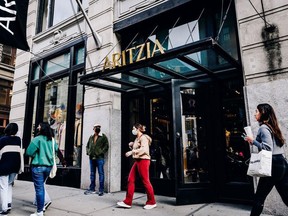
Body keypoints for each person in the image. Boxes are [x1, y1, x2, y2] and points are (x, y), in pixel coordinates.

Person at [244, 103, 288, 216]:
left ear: (263, 113)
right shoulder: (273, 127)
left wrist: (253, 141)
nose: (254, 114)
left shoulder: (263, 128)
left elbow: (268, 148)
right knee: (286, 195)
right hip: (282, 163)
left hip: (272, 164)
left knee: (259, 197)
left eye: (256, 111)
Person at [117, 123, 157, 210]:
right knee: (130, 179)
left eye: (134, 128)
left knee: (145, 181)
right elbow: (137, 149)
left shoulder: (144, 138)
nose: (133, 130)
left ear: (138, 129)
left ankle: (152, 201)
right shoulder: (137, 138)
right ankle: (127, 202)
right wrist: (132, 145)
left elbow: (144, 150)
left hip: (144, 161)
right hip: (138, 161)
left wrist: (132, 152)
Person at [26, 122, 59, 216]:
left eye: (39, 126)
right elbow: (56, 151)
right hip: (48, 167)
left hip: (38, 167)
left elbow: (29, 152)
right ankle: (42, 206)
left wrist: (36, 154)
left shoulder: (37, 139)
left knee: (39, 189)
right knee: (42, 187)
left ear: (42, 128)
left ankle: (39, 211)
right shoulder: (52, 140)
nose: (37, 127)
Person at [0, 123, 21, 215]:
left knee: (3, 187)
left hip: (4, 166)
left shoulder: (2, 140)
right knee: (9, 185)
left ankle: (4, 208)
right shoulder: (18, 140)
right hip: (15, 166)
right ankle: (8, 204)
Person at [84, 123, 109, 196]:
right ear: (93, 128)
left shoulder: (103, 137)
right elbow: (87, 146)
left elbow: (106, 146)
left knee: (101, 173)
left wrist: (100, 152)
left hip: (99, 158)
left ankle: (101, 190)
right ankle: (92, 188)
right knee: (92, 173)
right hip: (91, 158)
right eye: (96, 127)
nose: (97, 128)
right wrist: (88, 152)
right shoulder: (91, 137)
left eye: (98, 127)